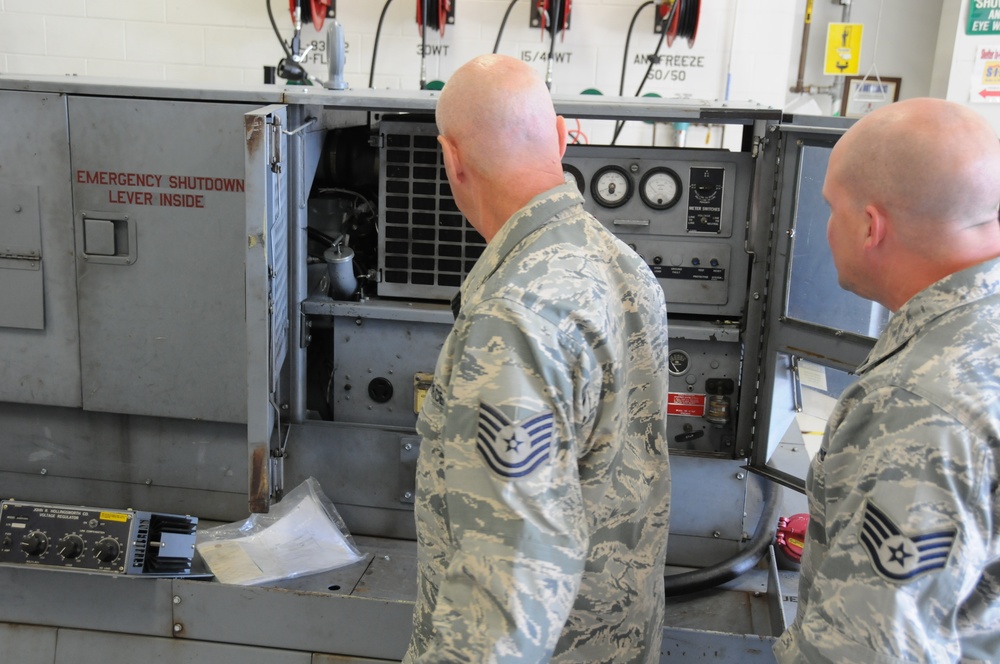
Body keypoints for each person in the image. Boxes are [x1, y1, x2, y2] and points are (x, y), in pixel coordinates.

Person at [402, 54, 672, 663]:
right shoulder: (630, 271)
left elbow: (505, 591)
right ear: (559, 136)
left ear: (451, 158)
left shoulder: (515, 316)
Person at [774, 98, 1000, 662]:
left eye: (832, 208)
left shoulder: (916, 404)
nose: (826, 229)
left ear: (871, 226)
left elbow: (871, 648)